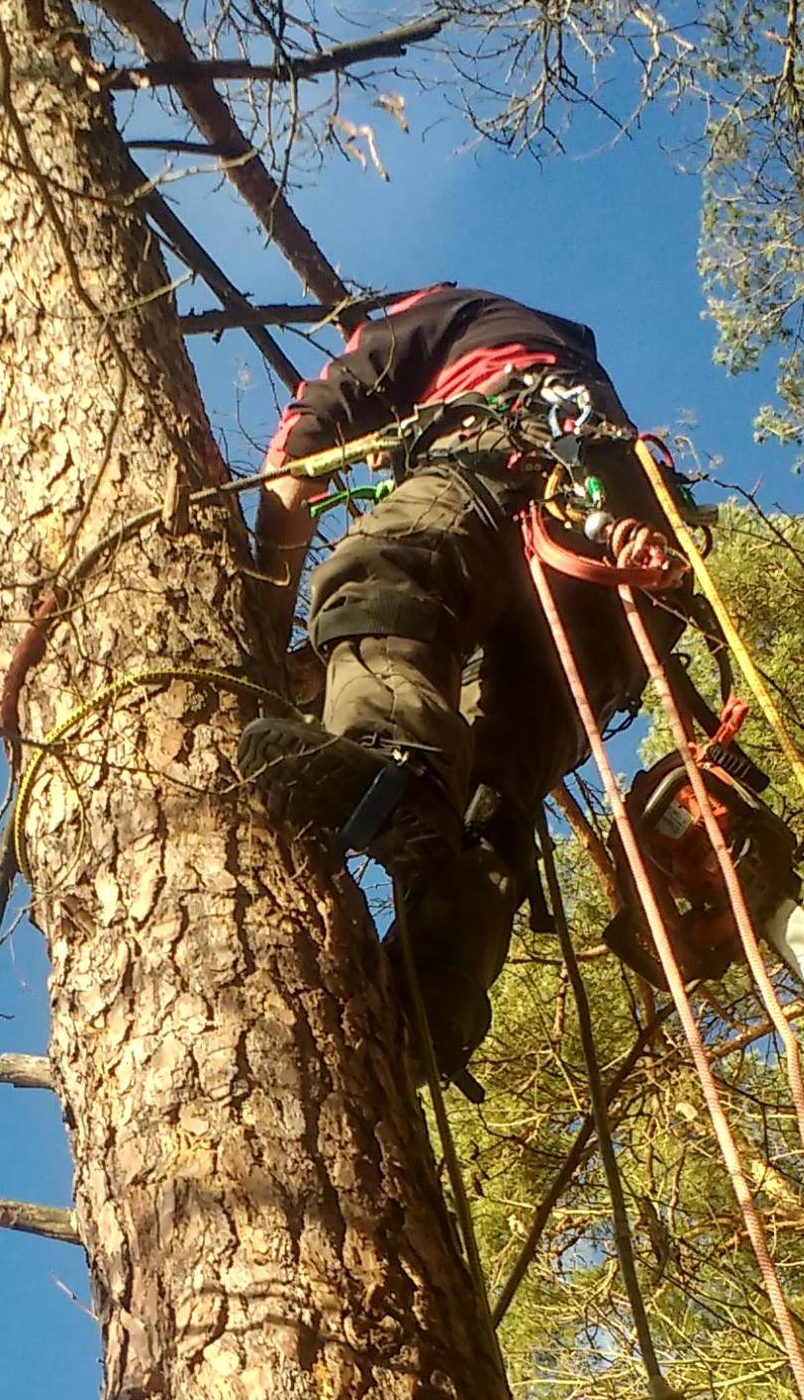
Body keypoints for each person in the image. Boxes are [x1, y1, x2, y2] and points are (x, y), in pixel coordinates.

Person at [243, 284, 681, 1091]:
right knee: (492, 784)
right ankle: (436, 992)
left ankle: (392, 764)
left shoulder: (437, 322)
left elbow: (305, 442)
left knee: (382, 571)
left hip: (512, 465)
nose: (377, 461)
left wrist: (261, 624)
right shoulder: (576, 369)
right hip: (626, 578)